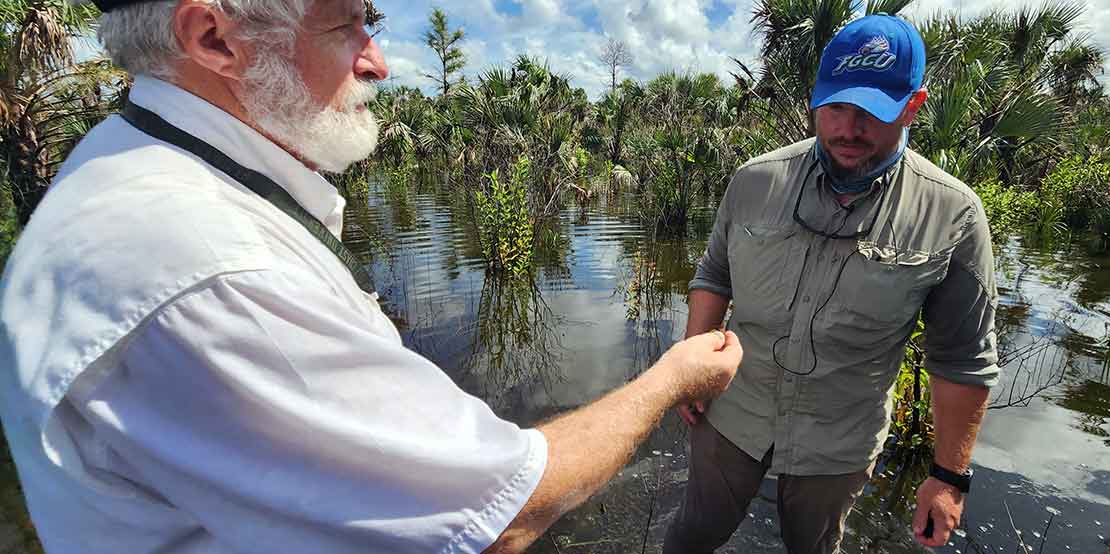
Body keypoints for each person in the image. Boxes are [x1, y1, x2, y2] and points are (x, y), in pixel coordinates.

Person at [0, 1, 743, 553]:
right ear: (215, 38)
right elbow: (499, 518)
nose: (378, 60)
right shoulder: (208, 265)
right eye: (346, 24)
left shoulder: (130, 164)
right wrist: (671, 377)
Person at [664, 14, 1000, 554]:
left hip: (839, 440)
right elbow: (714, 275)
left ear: (914, 105)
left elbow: (962, 360)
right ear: (816, 98)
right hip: (734, 411)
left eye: (873, 111)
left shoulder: (953, 216)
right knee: (690, 537)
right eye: (837, 106)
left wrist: (948, 476)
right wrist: (689, 371)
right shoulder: (755, 180)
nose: (849, 128)